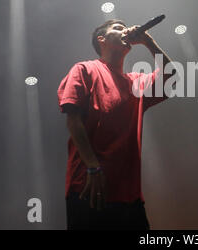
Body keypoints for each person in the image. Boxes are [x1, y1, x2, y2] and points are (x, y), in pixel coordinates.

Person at [57, 19, 175, 230]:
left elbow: (171, 77)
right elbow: (73, 119)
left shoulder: (136, 83)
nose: (126, 30)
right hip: (89, 187)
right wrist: (93, 167)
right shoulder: (85, 69)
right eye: (118, 28)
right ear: (101, 39)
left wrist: (148, 42)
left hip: (129, 197)